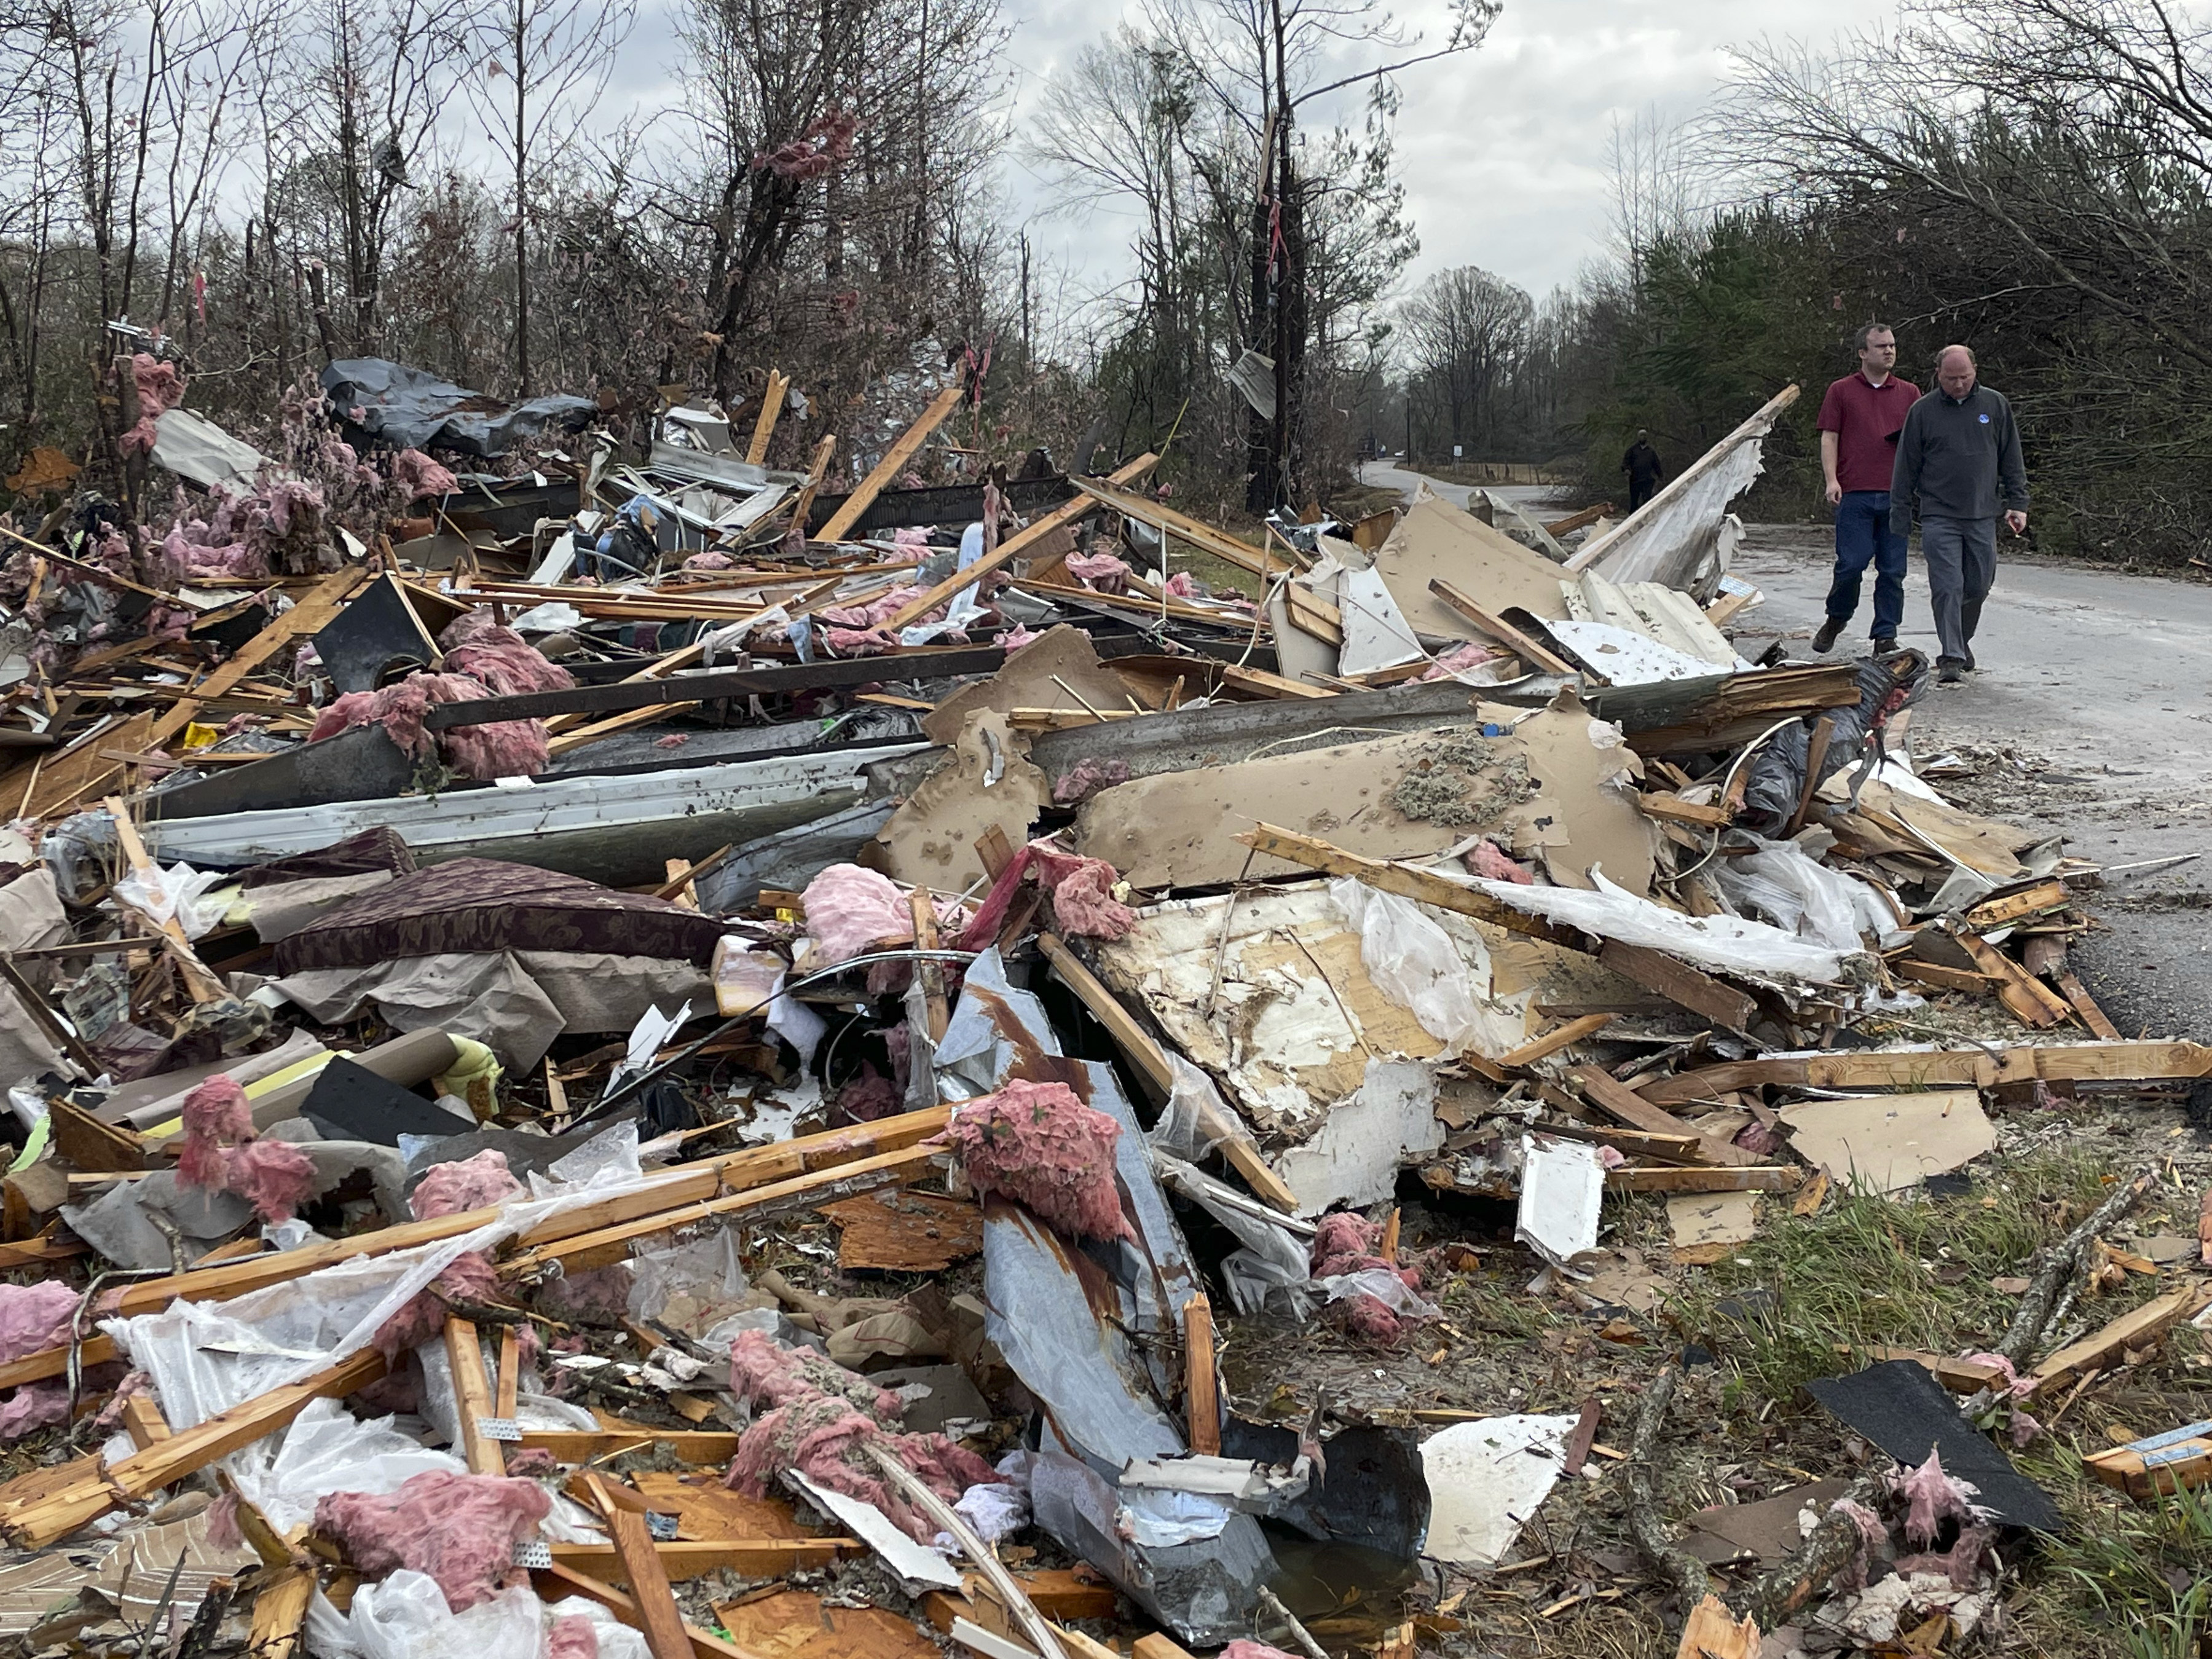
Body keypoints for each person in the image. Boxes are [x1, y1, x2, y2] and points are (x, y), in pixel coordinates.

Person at [1890, 345, 2029, 685]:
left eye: (1964, 377)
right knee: (1948, 585)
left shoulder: (1995, 405)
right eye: (1951, 378)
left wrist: (2018, 502)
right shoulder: (1922, 411)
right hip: (1940, 514)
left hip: (1982, 513)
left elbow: (2012, 457)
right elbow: (1906, 466)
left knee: (1978, 586)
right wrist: (1901, 511)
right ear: (1939, 374)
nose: (1958, 384)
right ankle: (1950, 655)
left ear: (1975, 371)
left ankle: (1962, 641)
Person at [1813, 323, 1918, 656]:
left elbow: (1920, 443)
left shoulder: (1910, 393)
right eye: (1880, 346)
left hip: (1895, 496)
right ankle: (1837, 617)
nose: (1889, 351)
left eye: (1892, 345)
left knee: (1892, 571)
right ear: (1862, 352)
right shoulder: (1841, 391)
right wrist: (1832, 480)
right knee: (1851, 564)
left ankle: (1885, 636)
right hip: (1855, 493)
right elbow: (1830, 436)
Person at [1621, 430, 1663, 511]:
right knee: (1634, 501)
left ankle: (1645, 515)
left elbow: (1656, 465)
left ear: (1647, 437)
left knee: (1647, 500)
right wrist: (1626, 469)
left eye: (1644, 436)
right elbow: (1625, 462)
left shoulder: (1651, 452)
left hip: (1647, 479)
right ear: (1638, 437)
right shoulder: (1632, 450)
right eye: (1641, 435)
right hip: (1635, 479)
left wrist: (1660, 476)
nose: (1643, 437)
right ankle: (1633, 518)